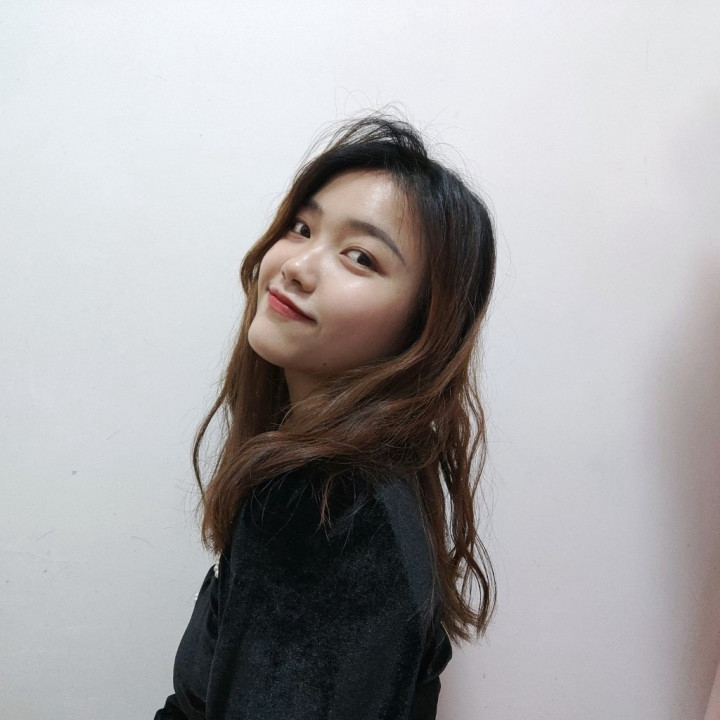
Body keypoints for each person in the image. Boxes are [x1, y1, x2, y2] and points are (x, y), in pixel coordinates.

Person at [154, 113, 497, 720]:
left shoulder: (324, 505)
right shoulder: (379, 477)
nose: (297, 266)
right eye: (301, 227)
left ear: (424, 325)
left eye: (359, 257)